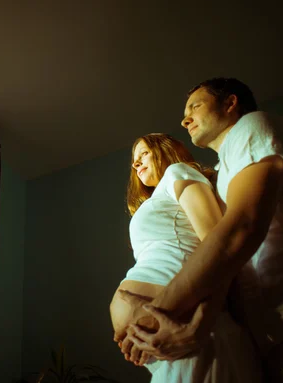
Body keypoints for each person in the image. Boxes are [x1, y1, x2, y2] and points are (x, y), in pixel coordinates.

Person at [117, 78, 283, 382]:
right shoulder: (224, 174)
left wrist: (155, 316)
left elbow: (240, 229)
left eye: (195, 106)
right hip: (268, 334)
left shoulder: (253, 126)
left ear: (230, 103)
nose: (185, 118)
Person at [109, 133, 261, 382]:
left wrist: (199, 322)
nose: (136, 164)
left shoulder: (177, 173)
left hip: (192, 330)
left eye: (144, 153)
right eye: (134, 160)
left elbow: (218, 246)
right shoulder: (157, 198)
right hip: (166, 348)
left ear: (166, 150)